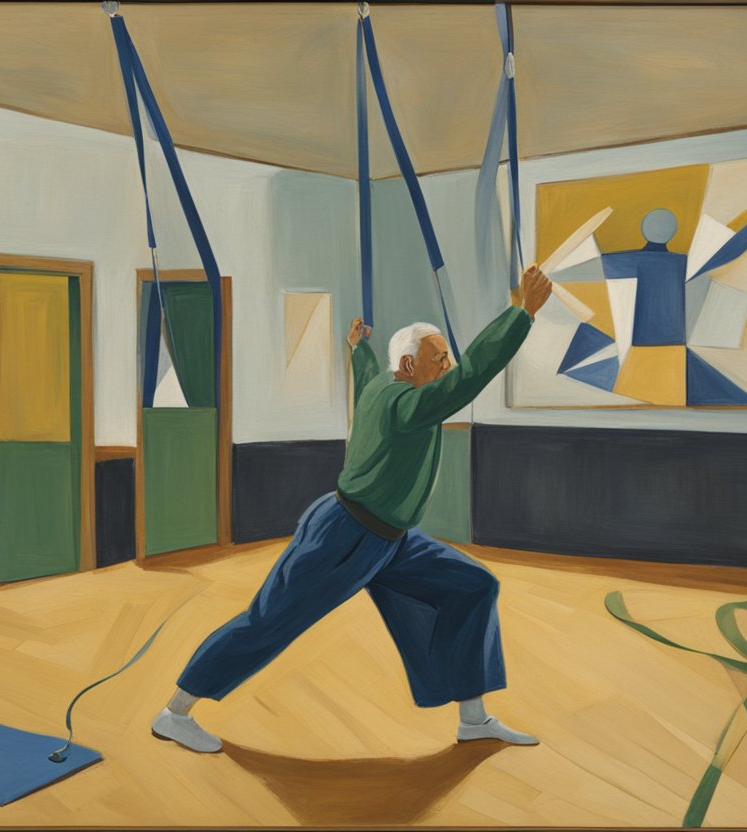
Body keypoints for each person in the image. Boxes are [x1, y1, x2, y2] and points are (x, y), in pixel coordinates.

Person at [151, 264, 554, 753]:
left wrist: (356, 346)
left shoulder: (379, 385)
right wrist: (521, 315)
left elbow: (367, 372)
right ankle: (175, 712)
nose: (447, 366)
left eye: (445, 357)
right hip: (343, 537)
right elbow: (469, 378)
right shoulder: (407, 405)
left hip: (392, 542)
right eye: (439, 359)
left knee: (473, 586)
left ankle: (473, 718)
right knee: (268, 621)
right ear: (408, 368)